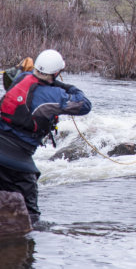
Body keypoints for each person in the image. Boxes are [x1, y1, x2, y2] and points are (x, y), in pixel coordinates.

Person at [0, 49, 92, 224]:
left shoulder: (21, 78)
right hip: (18, 163)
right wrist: (66, 86)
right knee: (31, 219)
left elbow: (20, 77)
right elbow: (84, 104)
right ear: (56, 73)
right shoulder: (53, 95)